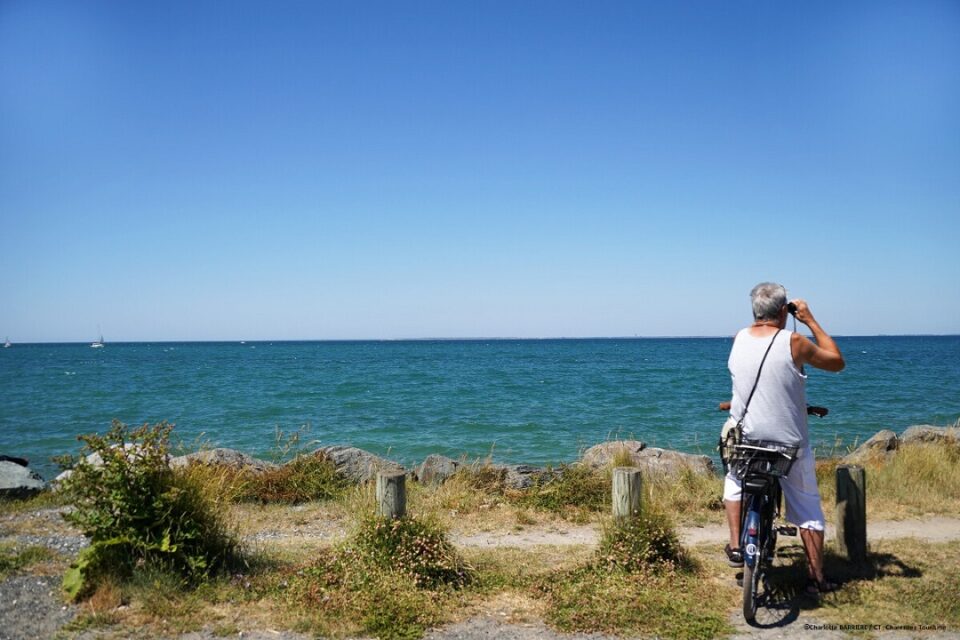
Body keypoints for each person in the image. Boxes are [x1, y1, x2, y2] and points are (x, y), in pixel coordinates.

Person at [722, 282, 844, 595]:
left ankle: (736, 545)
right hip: (788, 445)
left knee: (735, 481)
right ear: (782, 311)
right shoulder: (794, 341)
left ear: (753, 310)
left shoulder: (739, 338)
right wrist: (809, 320)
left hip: (746, 439)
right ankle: (817, 579)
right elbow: (836, 361)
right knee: (808, 510)